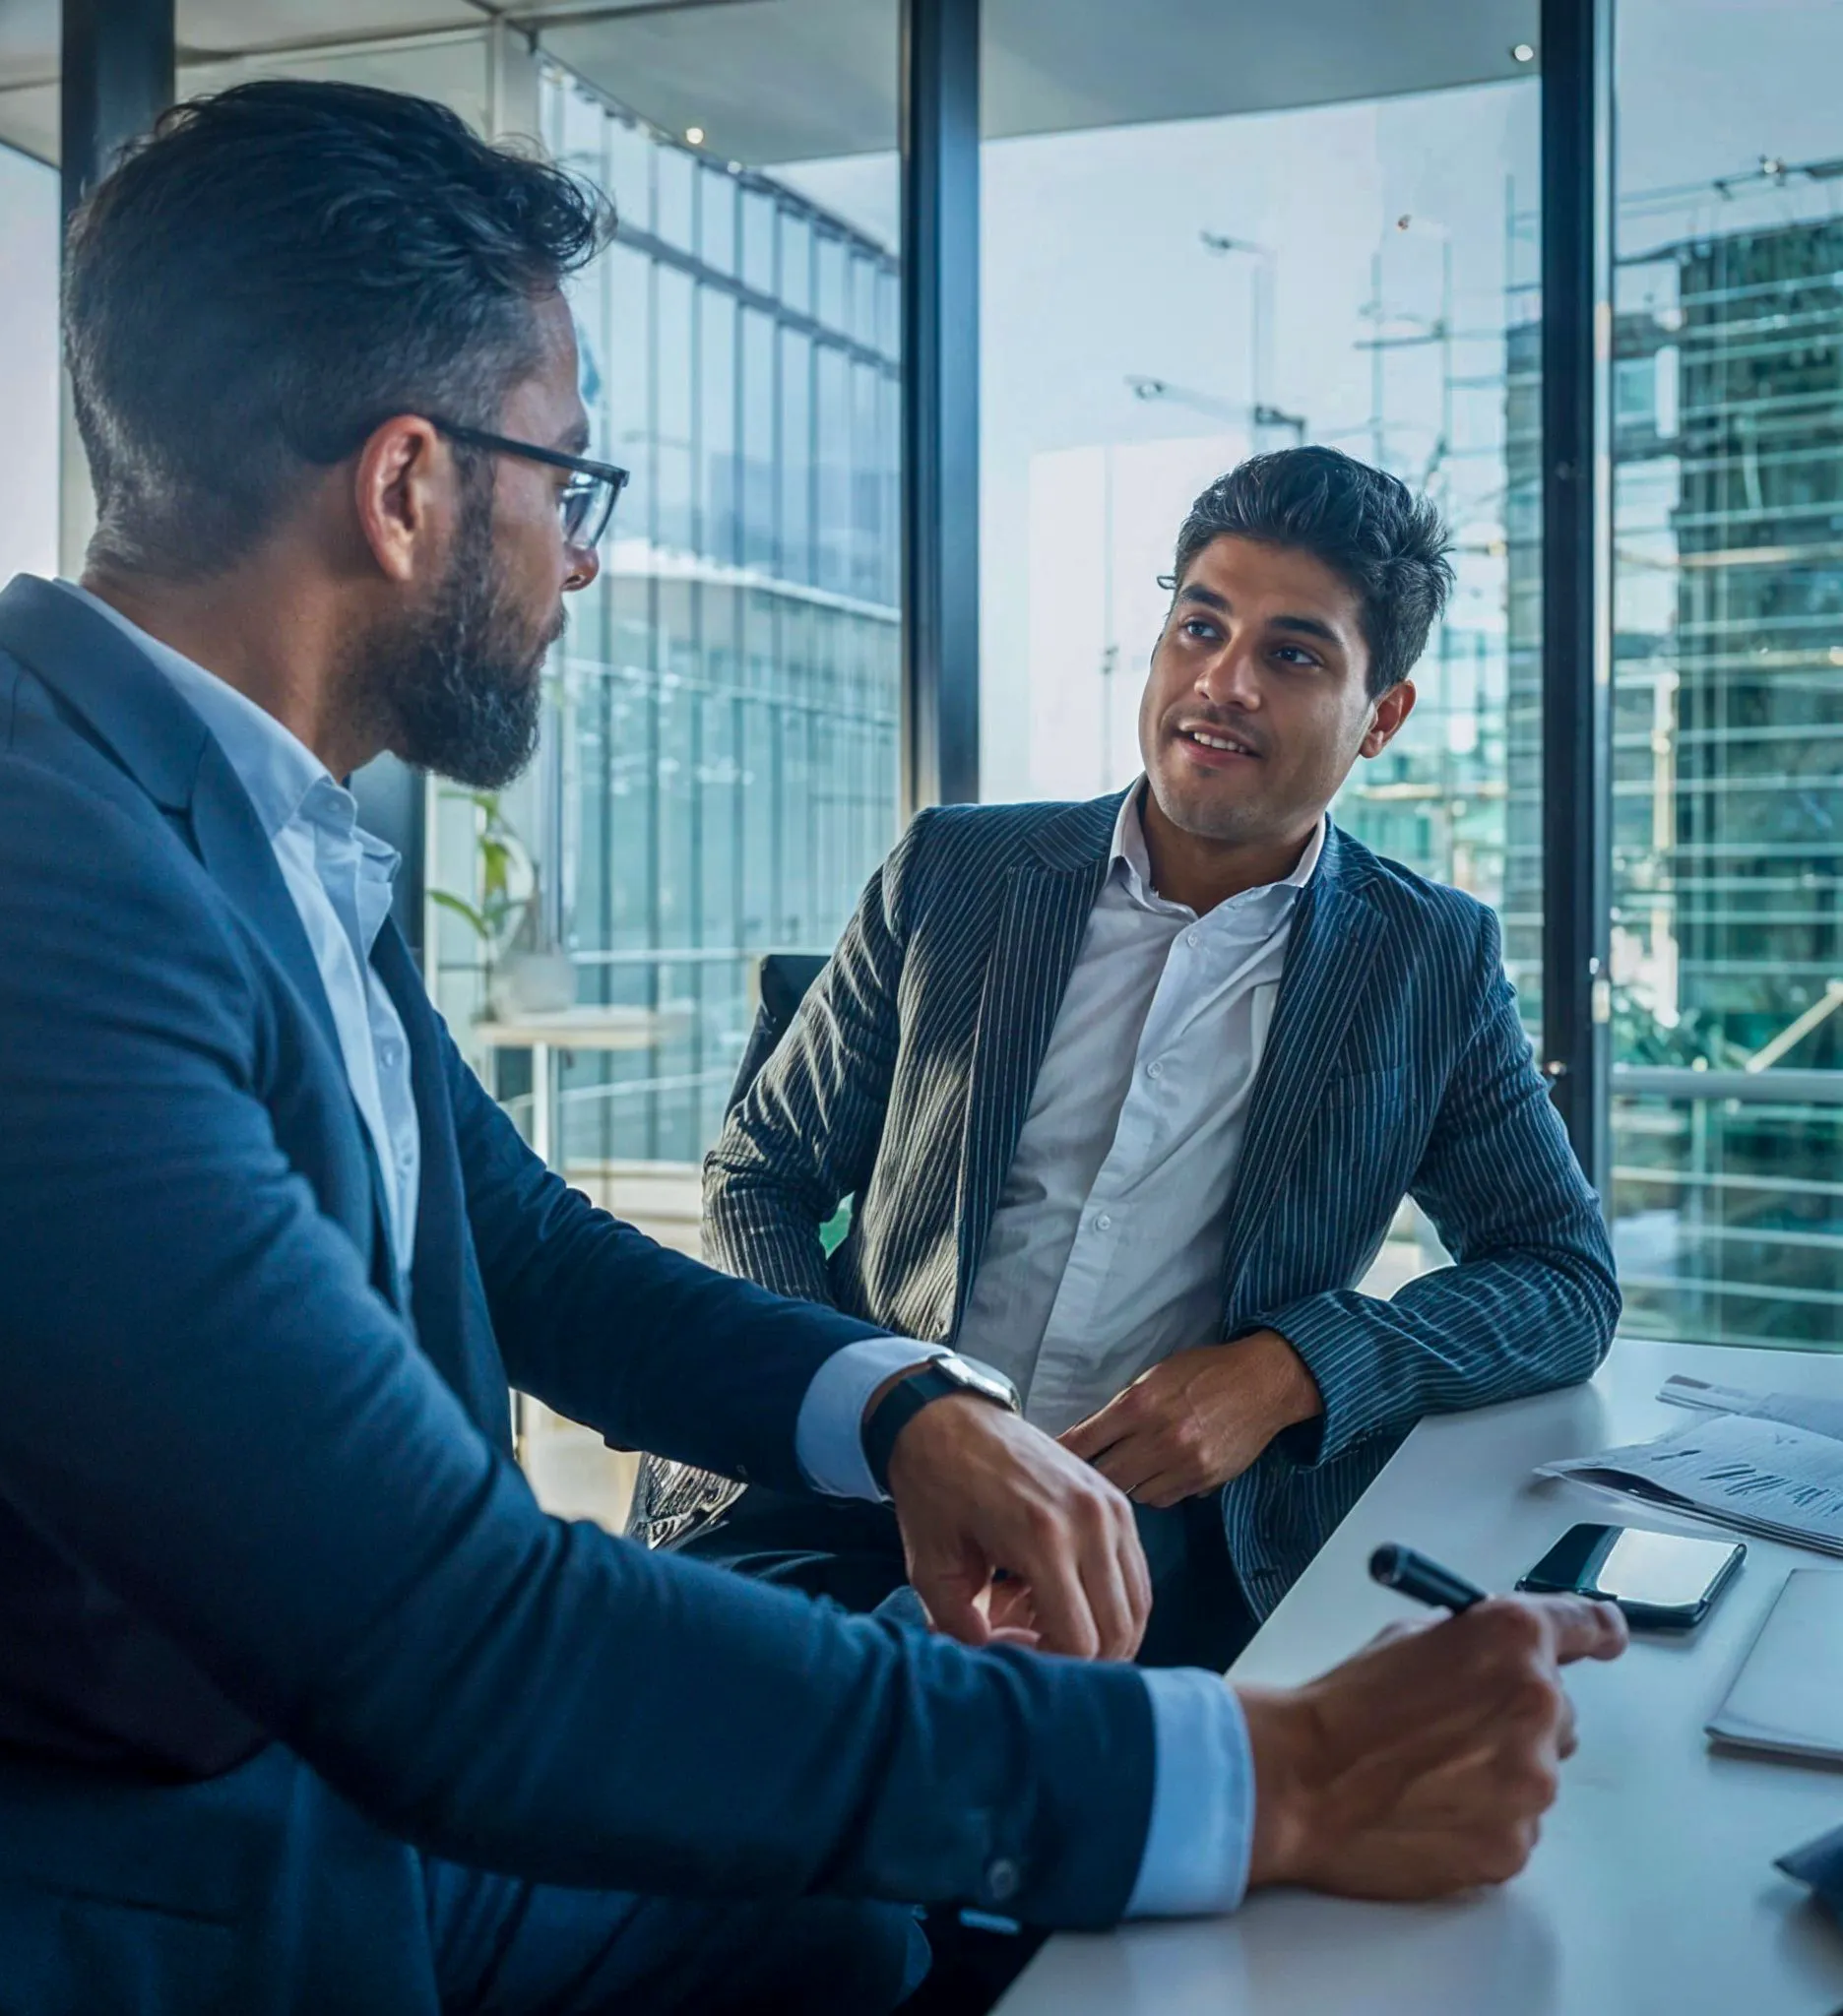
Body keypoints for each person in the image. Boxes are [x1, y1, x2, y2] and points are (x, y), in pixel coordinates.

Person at [0, 85, 1625, 2016]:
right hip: (167, 1880)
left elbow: (523, 1246)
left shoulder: (228, 816)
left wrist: (910, 1409)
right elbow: (447, 1633)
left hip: (366, 1778)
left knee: (840, 1940)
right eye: (565, 482)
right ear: (410, 486)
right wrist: (1269, 1774)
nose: (576, 562)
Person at [652, 446, 1620, 1673]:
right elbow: (760, 1168)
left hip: (1150, 1543)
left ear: (1380, 716)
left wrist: (1286, 1371)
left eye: (1291, 653)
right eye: (1198, 626)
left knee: (976, 1750)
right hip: (845, 1494)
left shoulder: (1424, 962)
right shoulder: (954, 872)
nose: (1222, 683)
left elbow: (1560, 1277)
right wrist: (860, 1405)